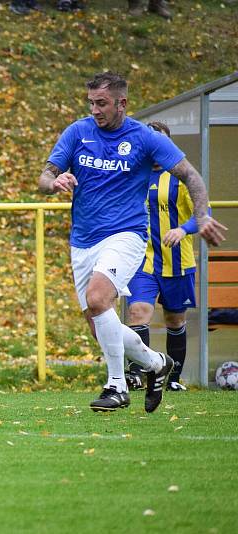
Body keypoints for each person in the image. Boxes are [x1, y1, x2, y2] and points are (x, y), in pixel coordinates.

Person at [38, 72, 227, 413]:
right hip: (82, 241)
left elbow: (191, 176)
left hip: (126, 235)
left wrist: (200, 218)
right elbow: (44, 176)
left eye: (102, 103)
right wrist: (54, 181)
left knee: (99, 299)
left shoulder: (144, 137)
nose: (95, 110)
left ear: (122, 103)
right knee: (100, 326)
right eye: (91, 103)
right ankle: (156, 363)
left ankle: (117, 386)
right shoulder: (78, 132)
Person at [126, 121, 203, 392]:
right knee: (138, 312)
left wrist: (183, 229)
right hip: (142, 260)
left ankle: (172, 379)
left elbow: (204, 215)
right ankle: (138, 373)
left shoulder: (182, 179)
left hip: (177, 262)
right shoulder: (135, 175)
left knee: (174, 320)